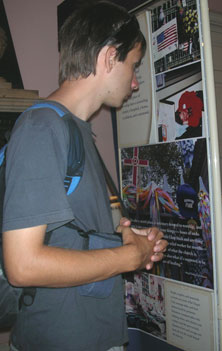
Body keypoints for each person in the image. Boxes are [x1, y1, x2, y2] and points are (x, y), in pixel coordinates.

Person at [2, 1, 168, 351]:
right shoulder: (41, 129)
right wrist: (127, 258)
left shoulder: (77, 131)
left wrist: (126, 241)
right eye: (133, 66)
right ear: (109, 57)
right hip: (59, 339)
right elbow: (23, 265)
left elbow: (68, 236)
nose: (135, 83)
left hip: (90, 334)